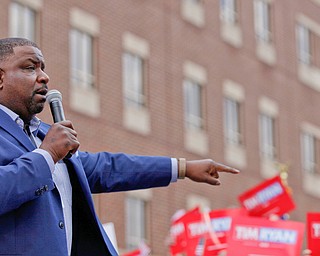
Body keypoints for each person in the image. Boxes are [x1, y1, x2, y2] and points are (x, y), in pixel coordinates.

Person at [0, 37, 240, 256]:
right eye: (30, 67)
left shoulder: (45, 134)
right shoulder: (50, 145)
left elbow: (107, 168)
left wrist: (183, 168)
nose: (44, 77)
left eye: (43, 68)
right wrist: (48, 154)